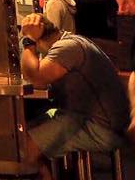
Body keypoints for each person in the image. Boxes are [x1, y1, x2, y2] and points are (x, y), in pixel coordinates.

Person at [20, 13, 128, 179]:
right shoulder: (73, 41)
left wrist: (29, 40)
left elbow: (36, 78)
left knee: (23, 151)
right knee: (27, 132)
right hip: (92, 119)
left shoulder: (67, 47)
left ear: (41, 40)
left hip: (101, 127)